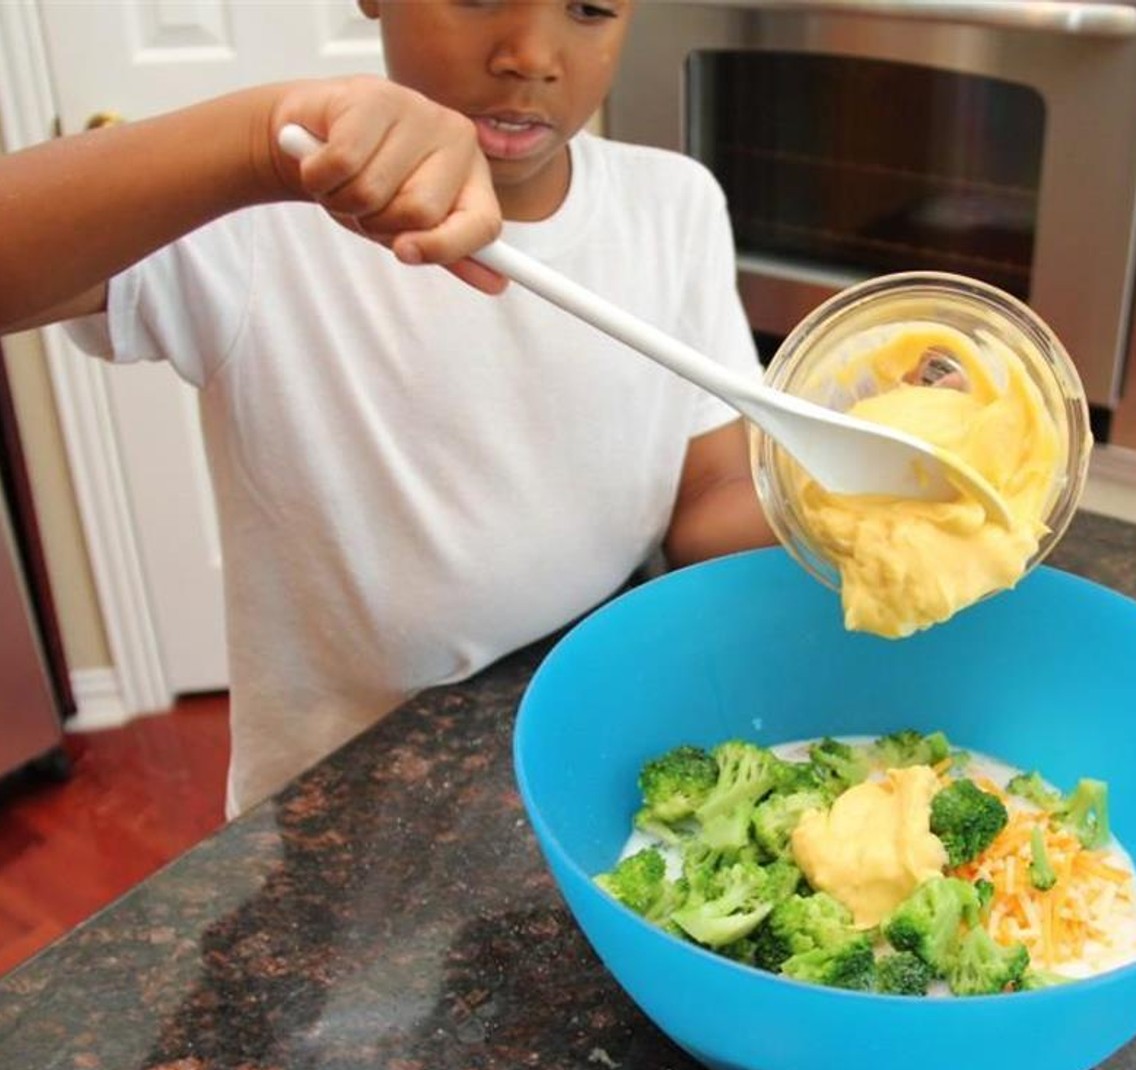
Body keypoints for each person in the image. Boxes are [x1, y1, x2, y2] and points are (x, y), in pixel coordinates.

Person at [0, 0, 777, 817]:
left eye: (589, 8)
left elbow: (708, 508)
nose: (531, 54)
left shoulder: (674, 205)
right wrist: (257, 143)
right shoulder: (265, 215)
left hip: (586, 749)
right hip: (337, 809)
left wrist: (869, 492)